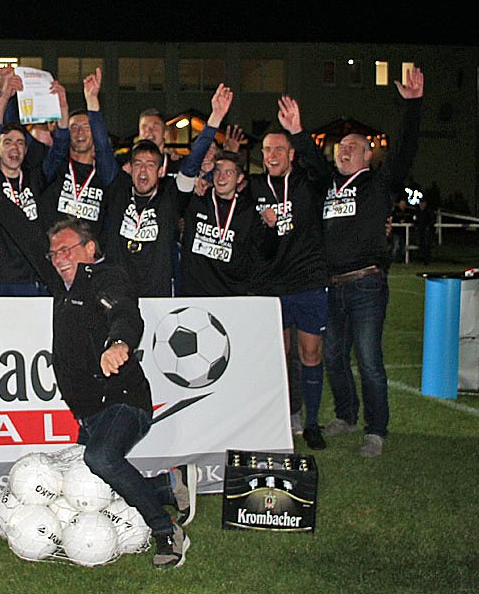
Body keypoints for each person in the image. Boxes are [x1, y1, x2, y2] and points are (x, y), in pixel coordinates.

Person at [0, 151, 197, 568]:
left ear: (89, 248)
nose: (58, 257)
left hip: (124, 402)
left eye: (66, 250)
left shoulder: (105, 276)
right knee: (84, 486)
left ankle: (167, 531)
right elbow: (23, 234)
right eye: (54, 253)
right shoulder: (61, 285)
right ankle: (167, 487)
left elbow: (124, 311)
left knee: (100, 459)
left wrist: (119, 343)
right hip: (90, 413)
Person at [321, 67, 424, 458]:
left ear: (368, 155)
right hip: (333, 285)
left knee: (368, 359)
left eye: (353, 145)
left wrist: (412, 106)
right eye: (340, 145)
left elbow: (405, 150)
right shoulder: (328, 186)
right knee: (333, 355)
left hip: (366, 284)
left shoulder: (379, 184)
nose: (343, 150)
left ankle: (376, 430)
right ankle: (346, 415)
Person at [246, 97, 330, 449]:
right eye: (267, 150)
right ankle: (284, 416)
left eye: (279, 149)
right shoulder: (254, 188)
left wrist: (298, 130)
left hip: (308, 282)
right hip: (272, 286)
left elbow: (323, 170)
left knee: (310, 354)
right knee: (278, 358)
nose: (272, 155)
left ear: (291, 153)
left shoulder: (307, 183)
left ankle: (311, 423)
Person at [102, 83, 234, 296]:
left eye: (150, 165)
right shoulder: (120, 183)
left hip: (160, 282)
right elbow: (102, 151)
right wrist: (92, 102)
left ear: (161, 170)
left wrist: (214, 119)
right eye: (138, 164)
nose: (143, 170)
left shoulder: (172, 191)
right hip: (121, 289)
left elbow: (192, 164)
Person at [0, 67, 60, 296]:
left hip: (28, 278)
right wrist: (4, 96)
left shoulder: (35, 178)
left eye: (20, 143)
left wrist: (63, 108)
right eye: (7, 142)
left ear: (26, 150)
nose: (14, 148)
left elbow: (60, 150)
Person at [179, 151, 278, 296]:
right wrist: (193, 183)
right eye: (217, 171)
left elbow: (266, 252)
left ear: (239, 178)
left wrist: (271, 228)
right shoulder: (196, 200)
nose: (221, 177)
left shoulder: (249, 211)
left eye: (229, 172)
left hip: (231, 296)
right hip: (195, 294)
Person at [37, 68, 118, 238]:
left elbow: (103, 148)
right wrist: (63, 107)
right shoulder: (55, 168)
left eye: (87, 127)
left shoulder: (104, 173)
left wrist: (92, 100)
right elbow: (59, 145)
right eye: (74, 128)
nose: (80, 132)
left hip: (88, 252)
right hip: (54, 250)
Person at [414, 197, 435, 265]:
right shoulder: (417, 211)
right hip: (420, 231)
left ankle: (426, 260)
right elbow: (415, 219)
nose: (422, 204)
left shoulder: (429, 211)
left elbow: (432, 220)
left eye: (423, 203)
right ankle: (422, 259)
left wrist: (428, 227)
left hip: (427, 231)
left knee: (427, 245)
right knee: (421, 245)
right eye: (421, 203)